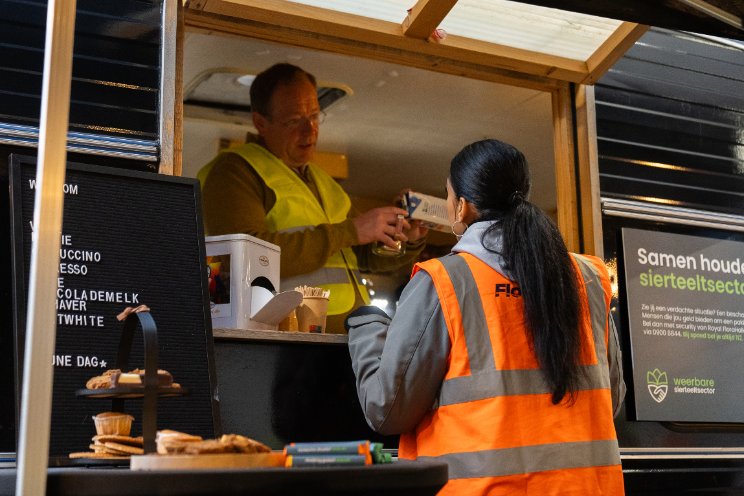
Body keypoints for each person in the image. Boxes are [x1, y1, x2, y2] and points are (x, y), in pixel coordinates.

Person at [346, 139, 626, 495]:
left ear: (461, 208)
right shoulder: (589, 279)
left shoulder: (446, 282)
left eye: (449, 197)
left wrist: (366, 324)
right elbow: (609, 399)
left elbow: (387, 410)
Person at [198, 63, 427, 333]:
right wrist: (350, 230)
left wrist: (405, 239)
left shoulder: (323, 181)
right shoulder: (236, 171)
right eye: (294, 120)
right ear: (261, 123)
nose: (310, 131)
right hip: (285, 341)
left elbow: (359, 256)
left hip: (346, 339)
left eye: (315, 116)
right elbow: (244, 260)